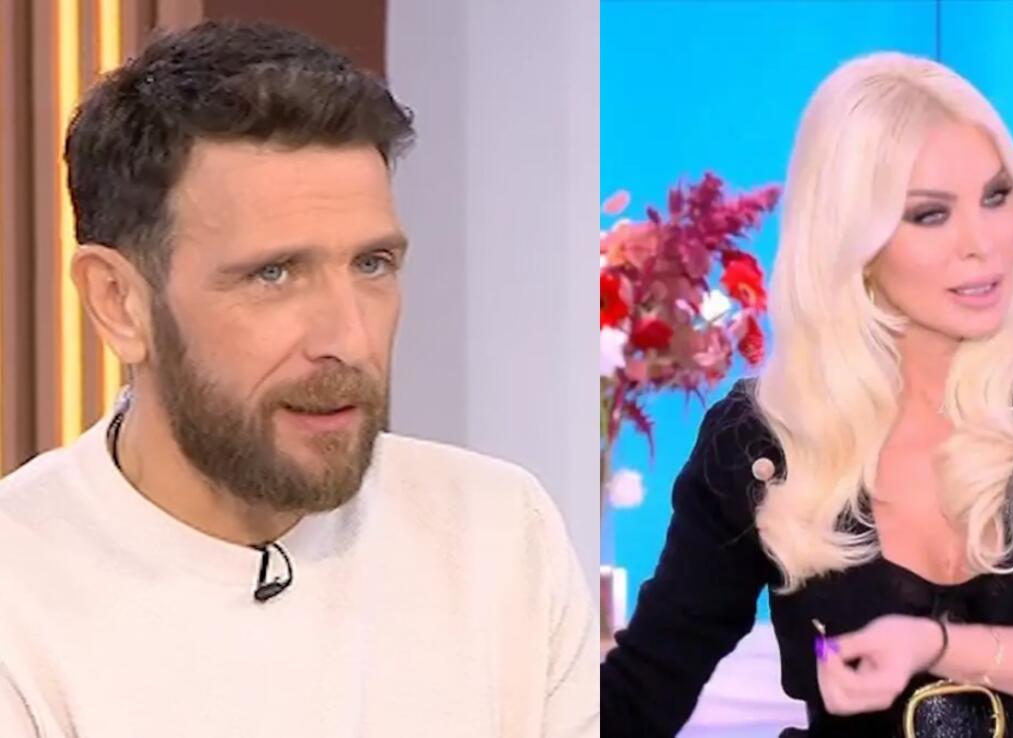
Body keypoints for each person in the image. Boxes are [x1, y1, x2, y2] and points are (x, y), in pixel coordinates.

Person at [0, 20, 597, 738]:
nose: (349, 340)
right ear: (119, 301)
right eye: (274, 274)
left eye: (372, 265)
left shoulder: (499, 533)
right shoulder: (19, 597)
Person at [600, 52, 1013, 737]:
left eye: (996, 196)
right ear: (855, 242)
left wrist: (935, 646)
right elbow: (649, 684)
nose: (982, 243)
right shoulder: (761, 441)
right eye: (930, 215)